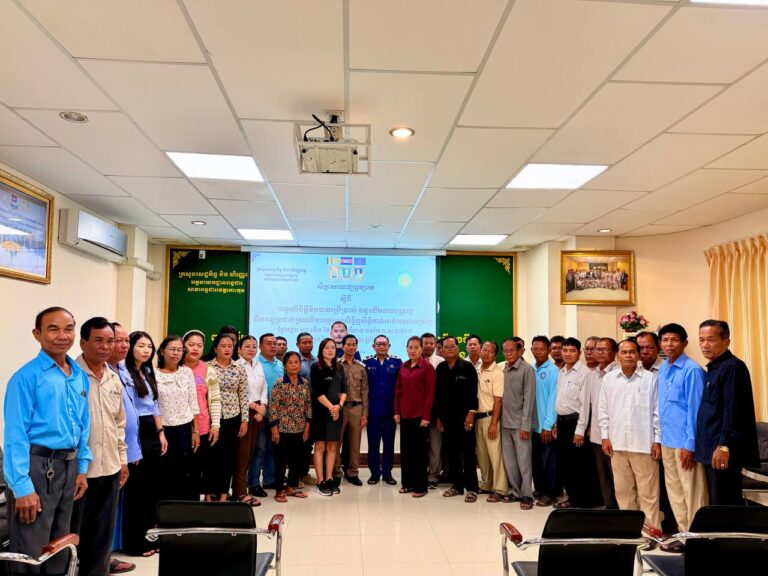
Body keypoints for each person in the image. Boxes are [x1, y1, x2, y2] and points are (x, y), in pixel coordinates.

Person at [4, 307, 91, 575]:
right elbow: (15, 436)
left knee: (59, 545)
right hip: (36, 467)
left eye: (68, 329)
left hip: (68, 466)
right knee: (30, 550)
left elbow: (83, 424)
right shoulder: (26, 377)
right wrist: (22, 488)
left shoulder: (78, 375)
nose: (62, 335)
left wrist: (81, 468)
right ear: (37, 334)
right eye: (53, 329)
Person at [71, 317, 127, 576]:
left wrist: (122, 459)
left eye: (110, 341)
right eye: (98, 341)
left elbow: (119, 422)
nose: (106, 347)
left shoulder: (114, 378)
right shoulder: (71, 376)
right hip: (79, 472)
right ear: (83, 343)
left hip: (110, 466)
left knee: (102, 535)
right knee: (74, 533)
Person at [599, 339, 661, 531]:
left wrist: (657, 440)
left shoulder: (650, 379)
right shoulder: (609, 379)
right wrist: (605, 436)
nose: (628, 355)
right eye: (624, 352)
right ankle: (630, 530)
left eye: (632, 352)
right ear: (617, 355)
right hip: (617, 444)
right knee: (623, 492)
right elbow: (603, 409)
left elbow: (658, 412)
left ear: (638, 355)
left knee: (648, 494)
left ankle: (651, 532)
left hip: (644, 444)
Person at [696, 319, 759, 505]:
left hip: (723, 449)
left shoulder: (732, 367)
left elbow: (733, 410)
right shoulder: (714, 367)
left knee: (725, 502)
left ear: (726, 341)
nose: (705, 345)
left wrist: (724, 446)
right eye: (701, 340)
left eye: (711, 339)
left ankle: (730, 527)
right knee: (715, 502)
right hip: (711, 447)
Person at [657, 323, 707, 542]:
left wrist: (690, 445)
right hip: (667, 440)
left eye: (674, 340)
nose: (669, 344)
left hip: (685, 444)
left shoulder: (692, 370)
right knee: (675, 492)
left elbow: (696, 411)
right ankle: (683, 536)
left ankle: (697, 539)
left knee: (692, 493)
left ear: (685, 343)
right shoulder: (663, 369)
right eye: (665, 340)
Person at [121, 331, 165, 557]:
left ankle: (150, 536)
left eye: (149, 346)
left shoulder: (147, 371)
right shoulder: (123, 372)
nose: (146, 350)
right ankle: (135, 543)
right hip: (135, 431)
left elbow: (154, 404)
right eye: (140, 345)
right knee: (136, 490)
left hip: (151, 430)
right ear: (130, 347)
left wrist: (161, 432)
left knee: (151, 487)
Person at [106, 323, 138, 575]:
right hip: (107, 453)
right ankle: (103, 556)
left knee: (118, 505)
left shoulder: (122, 369)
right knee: (104, 508)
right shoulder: (98, 371)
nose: (124, 345)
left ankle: (111, 550)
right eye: (119, 340)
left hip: (126, 447)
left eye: (127, 340)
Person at [554, 337, 599, 509]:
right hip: (562, 422)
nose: (567, 354)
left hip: (575, 423)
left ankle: (582, 500)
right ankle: (572, 497)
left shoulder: (584, 373)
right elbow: (559, 399)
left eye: (572, 351)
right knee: (564, 462)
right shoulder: (562, 372)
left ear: (579, 353)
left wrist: (580, 430)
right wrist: (556, 423)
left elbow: (585, 404)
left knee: (578, 464)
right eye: (565, 350)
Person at [434, 336, 479, 503]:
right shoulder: (441, 368)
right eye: (446, 347)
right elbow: (439, 395)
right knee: (452, 452)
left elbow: (474, 392)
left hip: (465, 418)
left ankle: (472, 488)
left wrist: (471, 413)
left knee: (468, 453)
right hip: (447, 418)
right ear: (442, 350)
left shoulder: (467, 367)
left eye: (452, 346)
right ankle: (457, 486)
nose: (449, 349)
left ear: (457, 348)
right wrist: (439, 417)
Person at [576, 337, 618, 510]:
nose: (599, 352)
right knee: (603, 476)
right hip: (596, 434)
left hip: (613, 435)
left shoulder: (617, 374)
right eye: (597, 349)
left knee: (617, 475)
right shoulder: (593, 375)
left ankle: (621, 510)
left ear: (614, 352)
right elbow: (588, 404)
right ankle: (609, 507)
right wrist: (585, 428)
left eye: (604, 349)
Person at [156, 335, 200, 501]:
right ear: (162, 351)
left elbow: (193, 402)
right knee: (164, 471)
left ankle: (182, 509)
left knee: (184, 470)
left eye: (179, 350)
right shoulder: (153, 374)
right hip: (163, 430)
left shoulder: (186, 372)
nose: (176, 353)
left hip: (184, 429)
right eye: (172, 349)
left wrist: (195, 431)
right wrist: (159, 431)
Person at [207, 333, 248, 501]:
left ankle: (224, 495)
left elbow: (244, 395)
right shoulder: (207, 367)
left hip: (233, 417)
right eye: (223, 346)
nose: (227, 349)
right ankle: (209, 495)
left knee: (228, 457)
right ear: (216, 348)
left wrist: (245, 419)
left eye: (230, 346)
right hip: (211, 419)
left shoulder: (239, 368)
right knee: (211, 457)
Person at [395, 336, 436, 498]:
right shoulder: (403, 366)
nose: (412, 350)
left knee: (419, 453)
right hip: (405, 415)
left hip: (420, 417)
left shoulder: (427, 367)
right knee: (406, 451)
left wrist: (426, 416)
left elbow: (430, 394)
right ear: (406, 349)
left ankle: (420, 486)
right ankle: (407, 484)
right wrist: (396, 411)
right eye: (410, 347)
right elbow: (398, 390)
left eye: (416, 347)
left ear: (421, 349)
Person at [182, 330, 221, 501]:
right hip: (181, 427)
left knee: (199, 468)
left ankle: (196, 503)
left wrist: (215, 425)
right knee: (183, 469)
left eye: (199, 345)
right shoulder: (177, 367)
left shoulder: (208, 370)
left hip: (203, 427)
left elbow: (215, 400)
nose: (195, 349)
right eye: (191, 345)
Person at [269, 352, 312, 502]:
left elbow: (308, 405)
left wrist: (307, 427)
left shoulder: (304, 382)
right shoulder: (279, 383)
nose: (294, 365)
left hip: (299, 428)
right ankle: (279, 490)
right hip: (282, 429)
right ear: (285, 365)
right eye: (290, 362)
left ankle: (291, 487)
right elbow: (273, 407)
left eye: (296, 362)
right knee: (281, 461)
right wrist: (274, 429)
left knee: (296, 460)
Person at [500, 338, 536, 509]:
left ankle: (527, 494)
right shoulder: (504, 368)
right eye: (505, 351)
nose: (508, 353)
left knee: (524, 461)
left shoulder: (526, 369)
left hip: (520, 424)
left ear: (519, 351)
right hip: (505, 423)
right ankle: (515, 491)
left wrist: (525, 426)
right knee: (510, 461)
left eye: (511, 350)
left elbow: (529, 399)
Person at [310, 338, 347, 496]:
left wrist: (339, 406)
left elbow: (344, 390)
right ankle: (320, 481)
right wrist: (332, 407)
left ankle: (329, 478)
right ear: (321, 350)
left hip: (336, 412)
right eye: (327, 348)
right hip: (321, 412)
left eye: (332, 347)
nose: (330, 350)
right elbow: (317, 392)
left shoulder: (339, 367)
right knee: (320, 446)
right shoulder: (316, 367)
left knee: (332, 447)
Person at [364, 335, 402, 485]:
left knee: (389, 444)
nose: (381, 346)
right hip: (372, 412)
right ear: (373, 346)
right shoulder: (366, 362)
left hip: (390, 412)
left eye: (384, 344)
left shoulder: (397, 362)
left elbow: (400, 388)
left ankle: (387, 473)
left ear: (389, 346)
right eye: (378, 344)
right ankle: (374, 473)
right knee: (373, 443)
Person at [234, 336, 267, 506]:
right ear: (239, 349)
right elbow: (239, 391)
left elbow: (264, 387)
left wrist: (263, 407)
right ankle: (240, 492)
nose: (251, 349)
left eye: (254, 346)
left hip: (258, 411)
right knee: (242, 454)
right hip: (244, 413)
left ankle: (241, 489)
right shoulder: (236, 366)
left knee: (251, 452)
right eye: (247, 346)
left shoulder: (258, 364)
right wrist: (255, 407)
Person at [249, 333, 282, 496]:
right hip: (259, 413)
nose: (273, 346)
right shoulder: (255, 364)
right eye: (268, 343)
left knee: (272, 448)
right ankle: (253, 483)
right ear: (260, 346)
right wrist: (260, 407)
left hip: (276, 415)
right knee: (259, 449)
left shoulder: (280, 364)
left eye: (275, 343)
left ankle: (270, 480)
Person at [530, 336, 561, 507]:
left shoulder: (553, 371)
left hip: (545, 425)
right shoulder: (531, 368)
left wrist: (548, 425)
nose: (538, 352)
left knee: (549, 461)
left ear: (548, 350)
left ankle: (550, 493)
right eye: (535, 349)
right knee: (536, 461)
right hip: (533, 425)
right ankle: (540, 489)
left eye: (541, 349)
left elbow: (553, 400)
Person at [334, 335, 368, 487]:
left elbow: (365, 391)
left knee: (355, 443)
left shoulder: (361, 367)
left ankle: (353, 472)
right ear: (343, 347)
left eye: (354, 344)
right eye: (348, 344)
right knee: (337, 442)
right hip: (340, 409)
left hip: (356, 408)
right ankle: (336, 472)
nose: (351, 347)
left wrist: (365, 413)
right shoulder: (336, 365)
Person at [475, 341, 507, 502]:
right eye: (484, 349)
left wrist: (494, 423)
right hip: (477, 418)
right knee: (482, 455)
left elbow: (498, 401)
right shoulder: (476, 369)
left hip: (491, 418)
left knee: (495, 455)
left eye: (490, 351)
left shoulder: (498, 373)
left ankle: (500, 489)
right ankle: (487, 484)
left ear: (496, 355)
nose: (486, 353)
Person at [422, 332, 445, 489]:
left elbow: (443, 390)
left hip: (436, 412)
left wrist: (440, 415)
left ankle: (434, 476)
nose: (429, 346)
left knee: (435, 446)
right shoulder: (413, 361)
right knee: (419, 445)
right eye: (426, 343)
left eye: (432, 343)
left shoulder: (441, 363)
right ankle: (420, 473)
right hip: (418, 412)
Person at [296, 332, 317, 488]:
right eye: (304, 342)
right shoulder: (294, 360)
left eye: (310, 342)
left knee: (308, 443)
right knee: (298, 443)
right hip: (298, 407)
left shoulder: (317, 360)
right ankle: (295, 476)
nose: (307, 345)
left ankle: (304, 473)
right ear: (297, 344)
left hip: (315, 406)